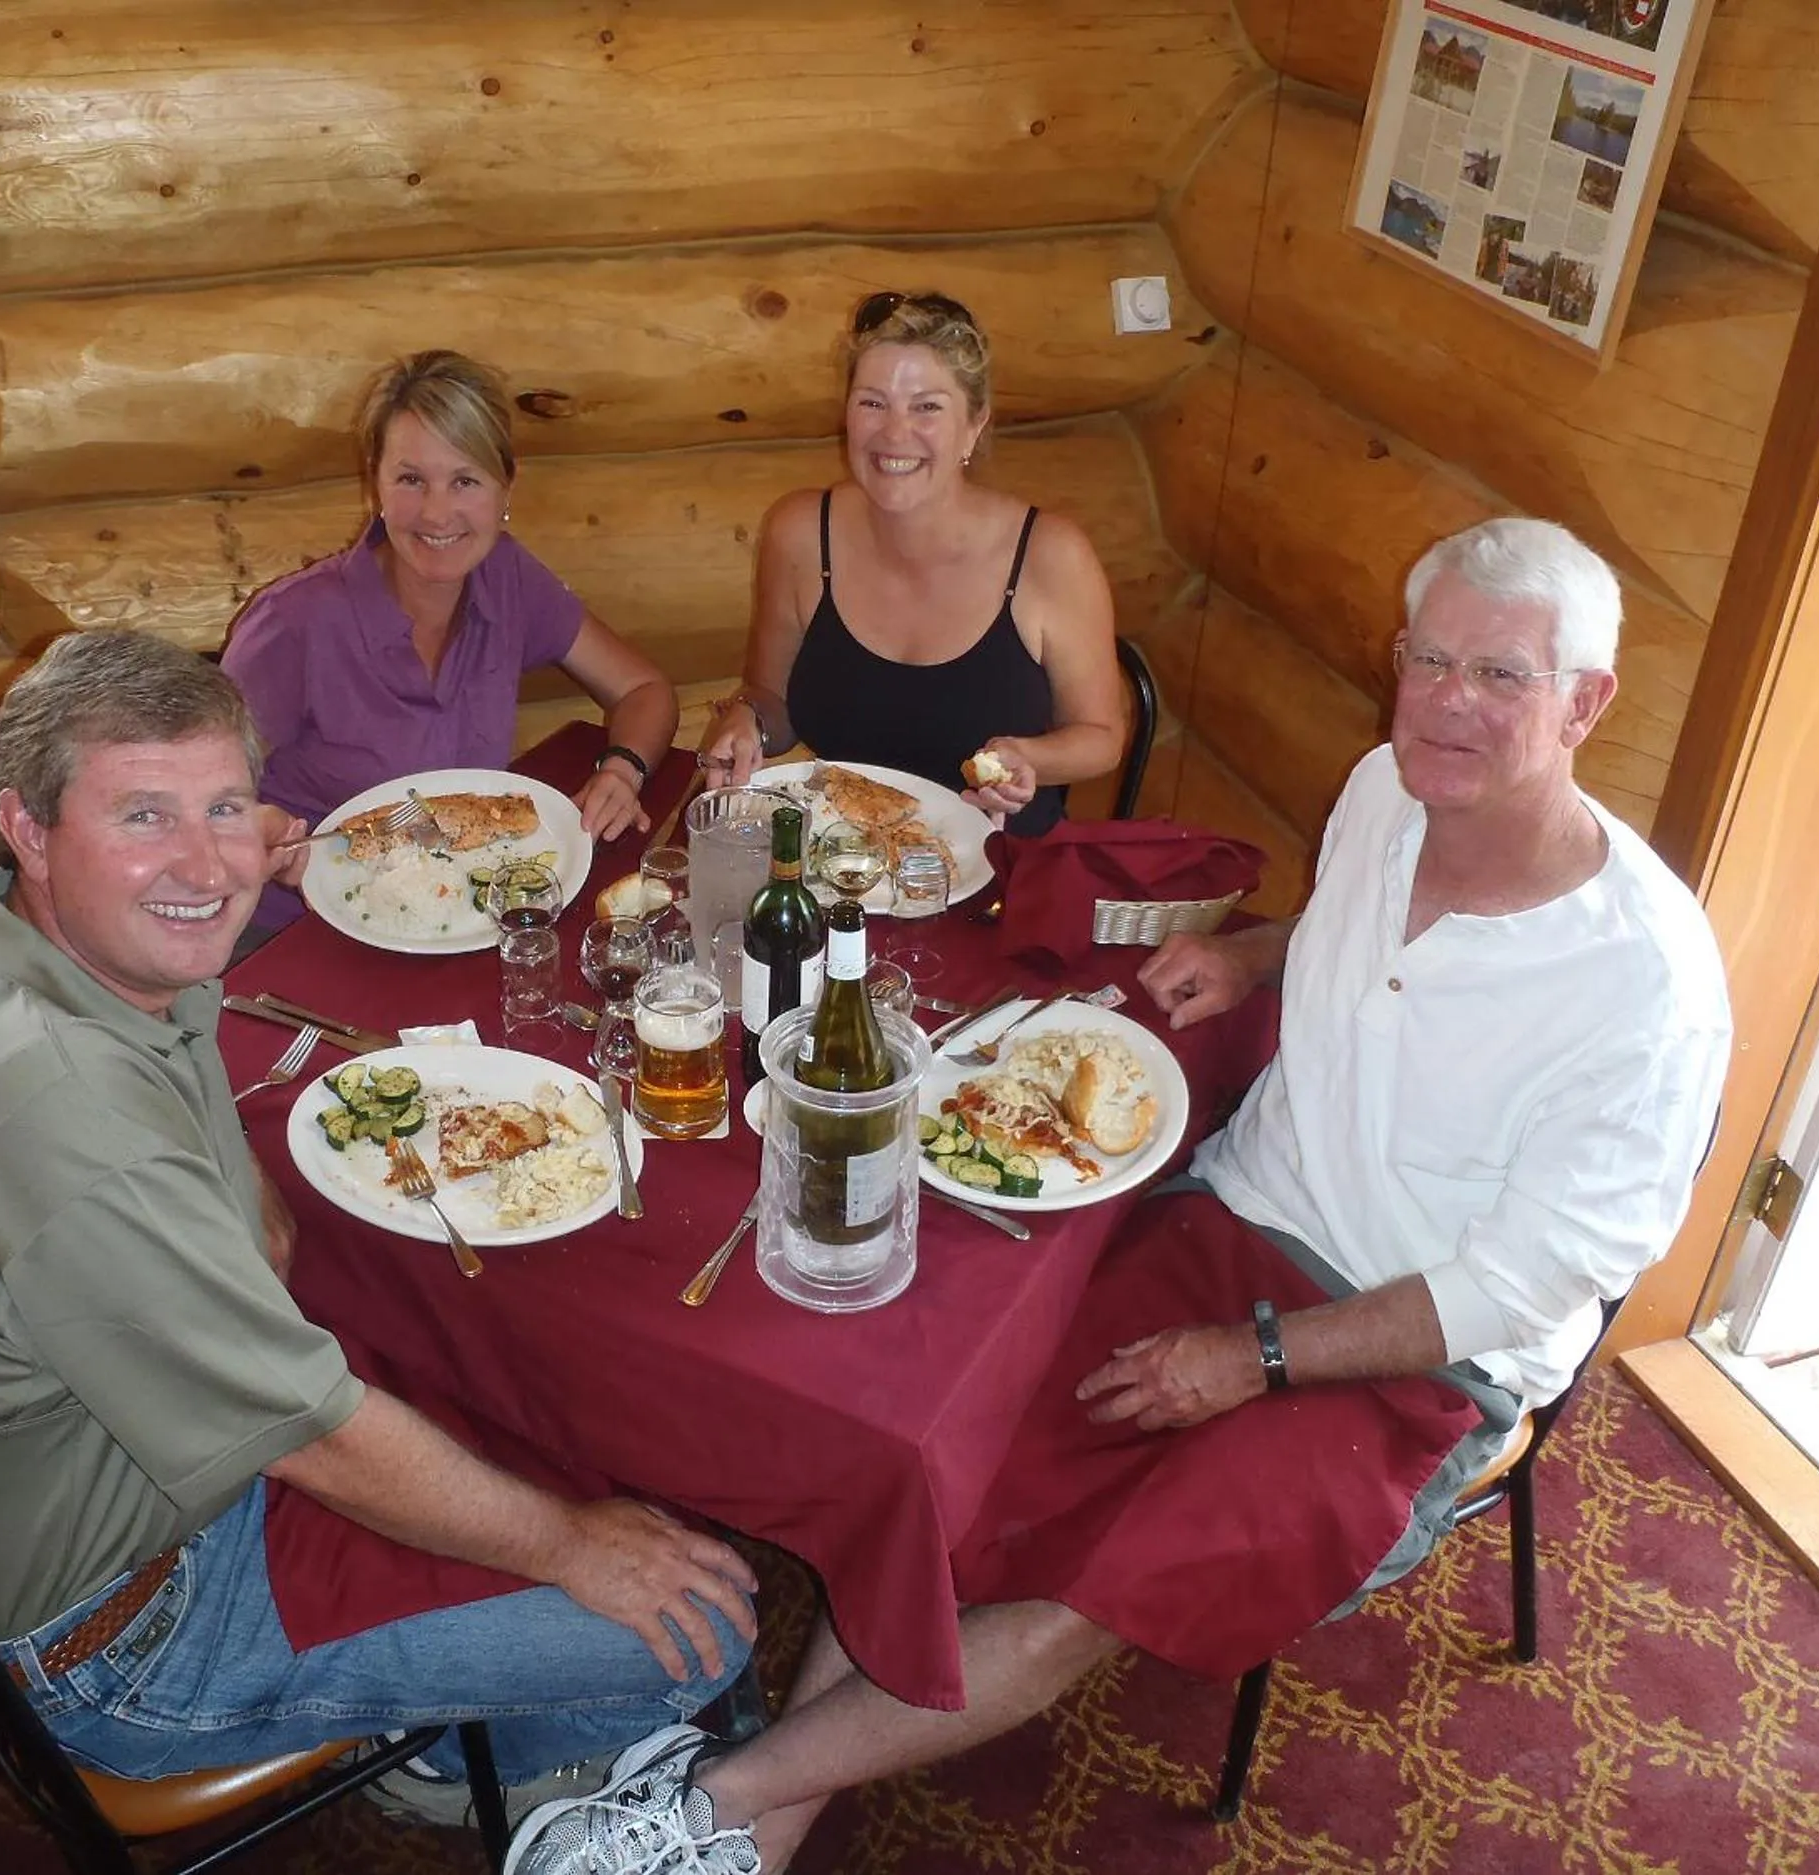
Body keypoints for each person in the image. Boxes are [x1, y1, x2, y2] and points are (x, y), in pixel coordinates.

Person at [501, 517, 1730, 1874]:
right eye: (1427, 657)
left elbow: (1518, 1285)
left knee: (1114, 1566)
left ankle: (716, 1802)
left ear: (1586, 702)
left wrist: (1255, 1358)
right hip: (1235, 1213)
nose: (1447, 700)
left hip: (1421, 1354)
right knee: (950, 1438)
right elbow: (1362, 933)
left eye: (1499, 674)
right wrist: (1258, 954)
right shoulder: (1393, 783)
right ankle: (762, 1828)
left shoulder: (1648, 988)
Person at [0, 629, 754, 1806]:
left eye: (225, 806)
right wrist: (569, 1547)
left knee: (574, 1420)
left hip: (118, 1478)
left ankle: (465, 1712)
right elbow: (313, 1434)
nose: (208, 864)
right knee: (699, 1623)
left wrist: (192, 855)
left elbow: (266, 1246)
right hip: (127, 1633)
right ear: (28, 827)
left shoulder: (43, 932)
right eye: (141, 817)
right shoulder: (64, 1127)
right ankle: (476, 1772)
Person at [223, 348, 679, 935]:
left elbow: (645, 689)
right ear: (376, 485)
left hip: (450, 918)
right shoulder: (292, 624)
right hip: (294, 942)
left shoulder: (508, 579)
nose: (438, 513)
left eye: (464, 480)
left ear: (505, 488)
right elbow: (197, 805)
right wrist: (256, 828)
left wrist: (623, 771)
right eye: (412, 479)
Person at [695, 290, 1124, 834]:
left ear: (975, 425)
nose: (895, 433)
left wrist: (1032, 758)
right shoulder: (800, 533)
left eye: (927, 407)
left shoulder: (1051, 554)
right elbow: (770, 699)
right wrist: (746, 721)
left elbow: (1101, 736)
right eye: (872, 402)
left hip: (1002, 870)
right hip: (846, 865)